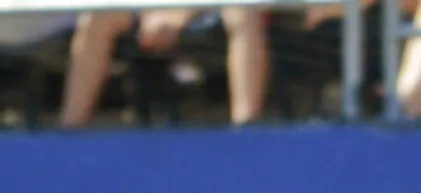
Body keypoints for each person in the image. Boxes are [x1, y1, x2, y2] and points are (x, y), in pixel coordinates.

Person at [62, 7, 269, 127]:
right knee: (96, 19)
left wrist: (180, 14)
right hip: (152, 9)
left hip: (209, 9)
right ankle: (70, 129)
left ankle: (246, 128)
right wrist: (150, 13)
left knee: (243, 11)